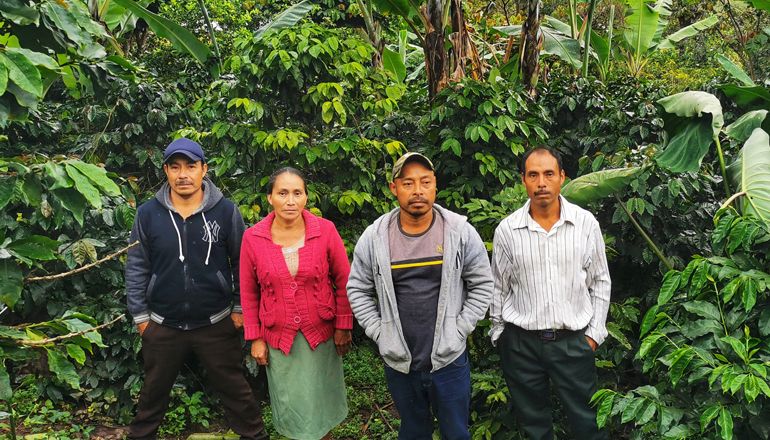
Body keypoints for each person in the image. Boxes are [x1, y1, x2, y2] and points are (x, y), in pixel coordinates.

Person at [125, 138, 267, 440]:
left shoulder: (225, 211)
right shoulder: (148, 214)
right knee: (152, 395)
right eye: (175, 167)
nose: (183, 174)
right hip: (162, 324)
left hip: (215, 322)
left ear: (204, 169)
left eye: (191, 166)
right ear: (165, 170)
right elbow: (137, 265)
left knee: (237, 392)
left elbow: (243, 262)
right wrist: (141, 317)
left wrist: (240, 308)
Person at [347, 152, 494, 440]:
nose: (417, 191)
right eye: (408, 183)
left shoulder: (459, 231)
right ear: (394, 188)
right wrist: (380, 332)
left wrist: (460, 328)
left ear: (435, 186)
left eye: (425, 182)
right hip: (400, 362)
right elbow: (358, 289)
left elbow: (482, 283)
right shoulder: (375, 237)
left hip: (449, 361)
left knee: (456, 433)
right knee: (413, 433)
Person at [489, 146, 611, 440]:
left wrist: (593, 335)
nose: (541, 182)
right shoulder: (507, 230)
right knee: (533, 426)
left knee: (587, 422)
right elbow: (497, 286)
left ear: (562, 177)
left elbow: (600, 281)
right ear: (523, 180)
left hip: (573, 342)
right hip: (521, 345)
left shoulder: (585, 223)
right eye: (533, 175)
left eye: (548, 174)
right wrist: (499, 333)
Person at [240, 167, 353, 440]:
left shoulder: (325, 231)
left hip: (322, 337)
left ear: (305, 197)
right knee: (293, 409)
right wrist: (255, 338)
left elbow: (345, 279)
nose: (290, 201)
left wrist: (343, 325)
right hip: (281, 340)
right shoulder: (253, 238)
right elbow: (249, 292)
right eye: (282, 193)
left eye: (297, 193)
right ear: (270, 198)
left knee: (321, 408)